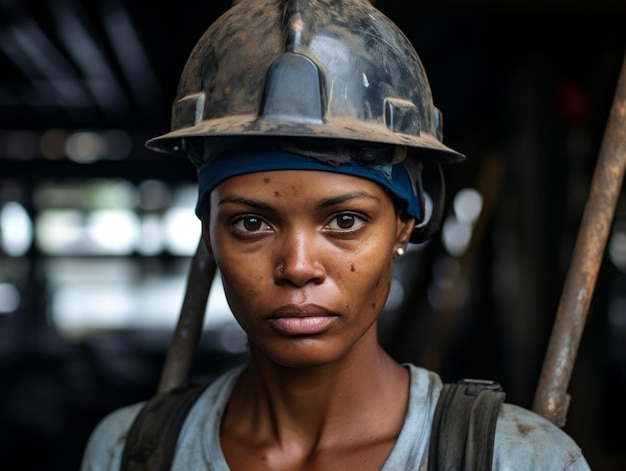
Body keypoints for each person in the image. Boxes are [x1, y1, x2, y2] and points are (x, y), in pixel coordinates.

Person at [81, 0, 591, 469]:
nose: (299, 266)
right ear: (209, 235)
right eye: (251, 222)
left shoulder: (518, 458)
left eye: (345, 221)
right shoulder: (126, 450)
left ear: (406, 224)